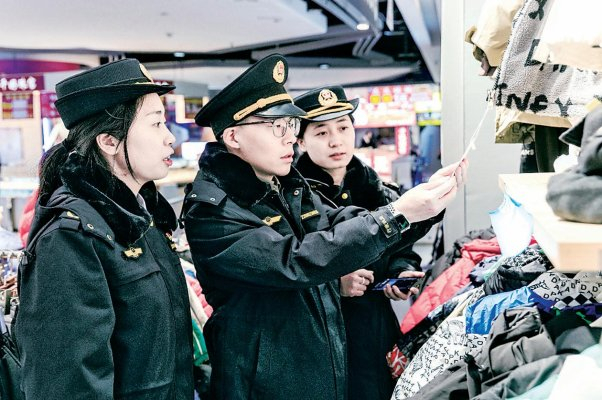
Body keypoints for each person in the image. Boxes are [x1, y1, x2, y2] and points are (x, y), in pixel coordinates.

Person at [182, 54, 467, 400]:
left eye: (290, 125)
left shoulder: (285, 187)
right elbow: (294, 260)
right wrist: (395, 215)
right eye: (276, 127)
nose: (289, 138)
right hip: (265, 386)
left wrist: (419, 207)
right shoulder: (212, 210)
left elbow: (341, 222)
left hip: (321, 369)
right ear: (233, 136)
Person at [16, 59, 194, 399]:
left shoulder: (140, 218)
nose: (170, 137)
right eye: (156, 123)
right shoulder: (71, 238)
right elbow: (68, 383)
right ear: (109, 141)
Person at [294, 85, 427, 400]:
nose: (336, 141)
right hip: (321, 337)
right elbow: (285, 266)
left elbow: (400, 247)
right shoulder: (293, 200)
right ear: (300, 142)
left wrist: (400, 271)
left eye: (343, 128)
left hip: (377, 329)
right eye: (321, 132)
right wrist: (333, 283)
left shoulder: (377, 190)